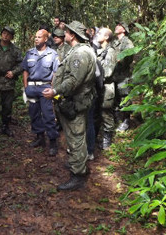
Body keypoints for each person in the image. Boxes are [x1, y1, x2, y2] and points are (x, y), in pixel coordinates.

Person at [43, 21, 96, 191]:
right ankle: (78, 165)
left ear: (72, 35)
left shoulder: (80, 53)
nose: (63, 34)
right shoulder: (77, 51)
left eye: (66, 32)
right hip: (72, 102)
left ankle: (78, 175)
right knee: (75, 137)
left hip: (75, 102)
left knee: (76, 138)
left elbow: (74, 80)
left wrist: (55, 90)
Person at [22, 29, 60, 156]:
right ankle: (40, 138)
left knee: (48, 115)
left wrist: (52, 89)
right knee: (34, 114)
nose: (36, 39)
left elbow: (55, 73)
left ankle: (53, 142)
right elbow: (25, 71)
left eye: (39, 37)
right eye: (36, 37)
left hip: (45, 88)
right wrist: (26, 87)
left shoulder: (52, 54)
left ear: (45, 39)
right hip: (32, 87)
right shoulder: (29, 53)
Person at [0, 26, 23, 138]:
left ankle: (5, 126)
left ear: (12, 37)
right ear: (1, 34)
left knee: (7, 106)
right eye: (4, 33)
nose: (5, 35)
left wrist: (14, 72)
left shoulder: (15, 50)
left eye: (8, 34)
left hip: (8, 82)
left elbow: (21, 65)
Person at [95, 27, 117, 149]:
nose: (97, 35)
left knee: (106, 113)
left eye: (100, 33)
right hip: (99, 87)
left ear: (106, 37)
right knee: (98, 113)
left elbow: (108, 72)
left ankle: (107, 140)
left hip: (107, 88)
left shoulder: (110, 52)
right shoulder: (100, 51)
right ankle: (100, 137)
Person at [112, 21, 134, 132]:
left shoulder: (127, 42)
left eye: (119, 26)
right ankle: (118, 119)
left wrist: (120, 59)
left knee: (124, 98)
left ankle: (126, 121)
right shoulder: (115, 42)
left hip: (123, 75)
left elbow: (129, 56)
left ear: (124, 30)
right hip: (114, 74)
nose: (116, 27)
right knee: (116, 98)